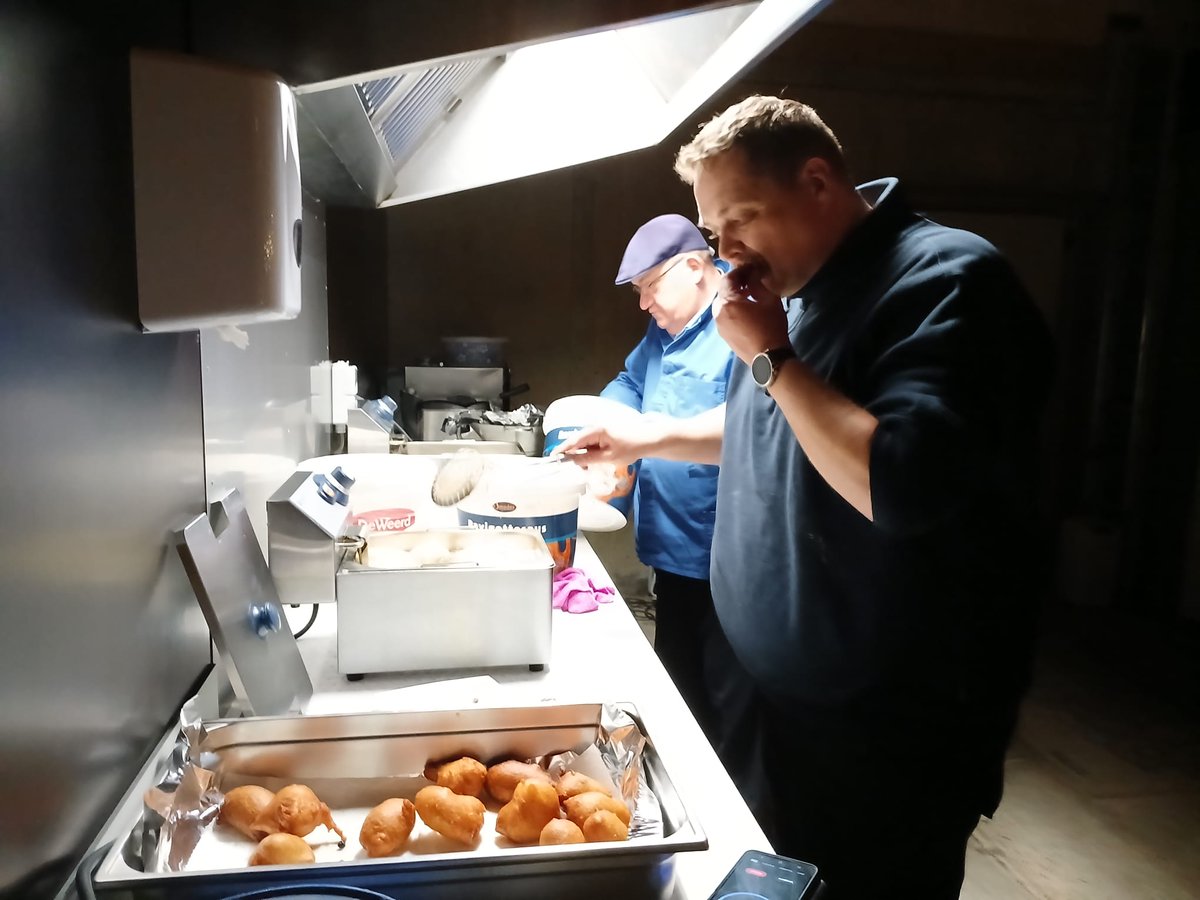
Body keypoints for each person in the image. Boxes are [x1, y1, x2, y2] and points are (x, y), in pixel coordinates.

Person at [562, 96, 1055, 899]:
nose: (725, 253)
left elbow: (896, 480)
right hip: (781, 703)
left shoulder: (947, 282)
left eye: (740, 221)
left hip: (884, 729)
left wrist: (768, 356)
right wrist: (646, 438)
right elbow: (776, 423)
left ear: (819, 181)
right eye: (714, 232)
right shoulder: (795, 290)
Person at [598, 214, 734, 745]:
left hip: (727, 562)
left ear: (696, 266)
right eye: (637, 291)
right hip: (671, 554)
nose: (643, 304)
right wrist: (615, 425)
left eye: (650, 287)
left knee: (727, 712)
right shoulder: (665, 330)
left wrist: (647, 439)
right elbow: (629, 380)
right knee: (680, 698)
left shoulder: (742, 325)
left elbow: (753, 433)